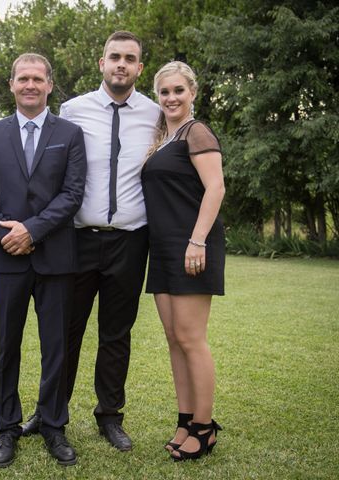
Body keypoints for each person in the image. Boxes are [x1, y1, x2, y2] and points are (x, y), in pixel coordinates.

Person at [21, 31, 159, 453]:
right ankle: (50, 412)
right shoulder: (72, 110)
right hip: (77, 238)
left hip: (131, 240)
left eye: (130, 58)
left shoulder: (155, 115)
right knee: (66, 331)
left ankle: (110, 416)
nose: (121, 64)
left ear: (139, 68)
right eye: (114, 56)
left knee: (116, 333)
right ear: (102, 63)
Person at [0, 53, 87, 467]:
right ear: (12, 84)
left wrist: (32, 230)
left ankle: (53, 424)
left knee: (56, 346)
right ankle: (7, 426)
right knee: (6, 346)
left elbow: (73, 195)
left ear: (50, 85)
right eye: (23, 78)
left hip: (56, 258)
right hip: (6, 259)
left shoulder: (70, 134)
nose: (30, 85)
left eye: (38, 79)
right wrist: (7, 235)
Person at [141, 60, 225, 461]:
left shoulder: (197, 132)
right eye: (164, 92)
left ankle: (205, 428)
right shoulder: (163, 138)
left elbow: (215, 187)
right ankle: (186, 419)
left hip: (192, 246)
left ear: (192, 93)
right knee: (174, 339)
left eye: (178, 90)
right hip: (163, 249)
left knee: (192, 339)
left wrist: (197, 241)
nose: (171, 98)